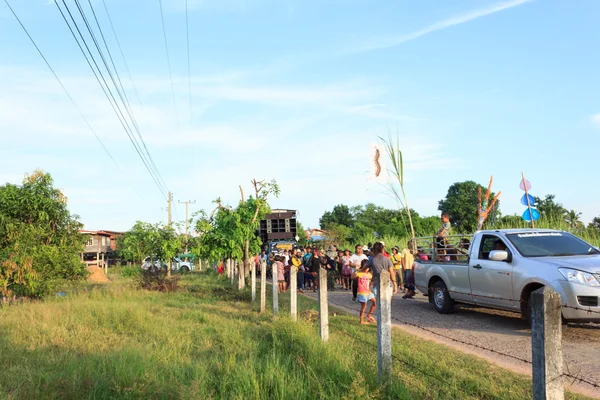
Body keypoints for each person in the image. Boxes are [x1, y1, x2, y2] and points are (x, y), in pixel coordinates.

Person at [353, 260, 376, 325]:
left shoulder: (369, 274)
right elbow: (352, 277)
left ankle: (369, 315)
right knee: (364, 306)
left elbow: (372, 281)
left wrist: (370, 284)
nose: (366, 269)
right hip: (362, 292)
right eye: (365, 268)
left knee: (375, 303)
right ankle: (361, 321)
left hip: (368, 292)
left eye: (368, 268)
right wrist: (356, 270)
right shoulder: (359, 274)